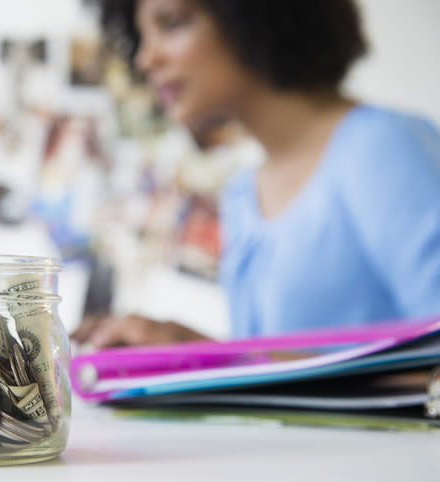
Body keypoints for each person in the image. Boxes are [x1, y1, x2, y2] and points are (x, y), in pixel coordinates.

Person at [72, 0, 440, 348]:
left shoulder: (379, 146)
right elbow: (282, 381)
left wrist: (211, 356)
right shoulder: (244, 191)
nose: (146, 58)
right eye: (142, 37)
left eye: (172, 23)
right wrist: (187, 350)